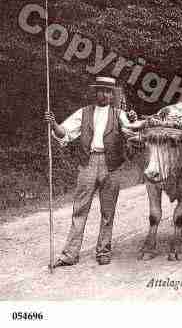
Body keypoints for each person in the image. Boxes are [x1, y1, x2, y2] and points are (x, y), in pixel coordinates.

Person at [44, 76, 139, 267]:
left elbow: (133, 135)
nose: (103, 94)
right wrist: (53, 123)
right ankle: (70, 254)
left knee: (107, 212)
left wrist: (133, 121)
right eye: (100, 90)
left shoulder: (120, 114)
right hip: (88, 163)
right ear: (95, 93)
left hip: (112, 166)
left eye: (107, 91)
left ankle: (103, 251)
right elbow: (64, 132)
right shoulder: (84, 112)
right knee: (79, 209)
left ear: (112, 95)